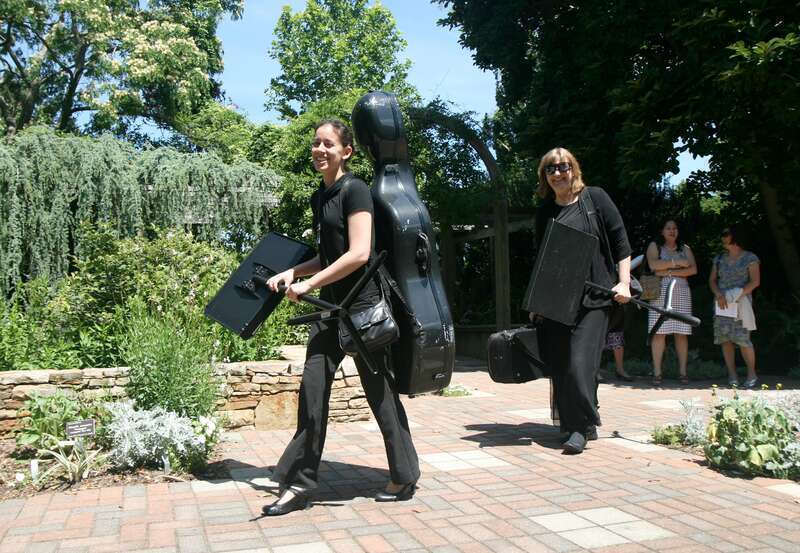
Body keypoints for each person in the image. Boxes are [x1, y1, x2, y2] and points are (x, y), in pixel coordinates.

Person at [263, 119, 419, 516]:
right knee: (312, 390)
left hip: (361, 307)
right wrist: (293, 273)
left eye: (327, 144)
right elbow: (329, 255)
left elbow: (359, 253)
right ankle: (299, 482)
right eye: (315, 143)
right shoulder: (322, 195)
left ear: (345, 152)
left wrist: (310, 284)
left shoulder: (355, 190)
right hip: (330, 312)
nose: (319, 149)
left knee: (379, 393)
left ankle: (404, 474)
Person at [533, 147, 632, 454]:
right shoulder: (546, 211)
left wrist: (624, 282)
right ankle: (577, 422)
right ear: (545, 177)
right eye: (550, 169)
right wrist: (538, 303)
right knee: (563, 365)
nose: (557, 174)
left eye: (562, 167)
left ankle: (581, 427)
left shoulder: (595, 199)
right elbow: (543, 261)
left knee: (579, 363)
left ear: (573, 169)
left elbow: (621, 243)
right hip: (559, 303)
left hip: (596, 298)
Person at [645, 220, 697, 385]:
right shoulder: (655, 246)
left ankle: (682, 373)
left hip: (681, 291)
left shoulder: (685, 248)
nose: (672, 230)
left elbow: (693, 269)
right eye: (668, 228)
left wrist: (665, 270)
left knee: (681, 333)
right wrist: (677, 264)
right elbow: (653, 266)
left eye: (675, 228)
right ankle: (657, 373)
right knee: (659, 332)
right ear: (662, 231)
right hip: (659, 292)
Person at [708, 225, 760, 388]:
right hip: (722, 304)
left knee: (743, 340)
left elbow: (755, 281)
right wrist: (718, 294)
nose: (722, 237)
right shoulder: (719, 259)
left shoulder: (750, 258)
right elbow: (712, 280)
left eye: (725, 234)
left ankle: (752, 374)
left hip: (741, 304)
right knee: (726, 340)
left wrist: (737, 293)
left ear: (734, 236)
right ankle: (732, 375)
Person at [605, 303, 633, 381]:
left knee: (617, 333)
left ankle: (620, 369)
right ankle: (595, 371)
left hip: (619, 302)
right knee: (599, 335)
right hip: (602, 302)